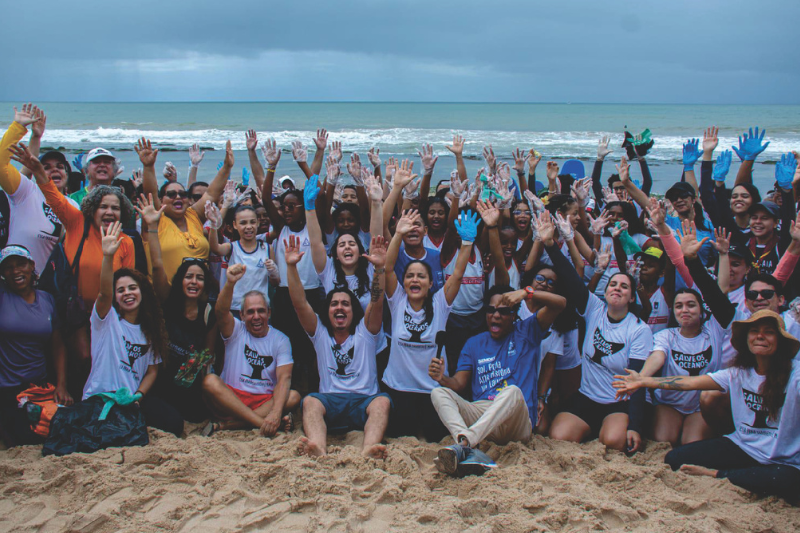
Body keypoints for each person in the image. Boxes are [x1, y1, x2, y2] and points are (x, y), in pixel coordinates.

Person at [613, 310, 800, 499]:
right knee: (674, 458)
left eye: (769, 332)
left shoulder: (795, 374)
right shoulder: (738, 373)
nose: (760, 336)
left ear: (780, 341)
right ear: (747, 339)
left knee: (786, 479)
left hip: (784, 460)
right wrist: (643, 381)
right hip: (745, 448)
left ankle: (718, 474)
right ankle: (744, 476)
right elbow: (689, 382)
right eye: (754, 331)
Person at [542, 212, 653, 453]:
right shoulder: (594, 309)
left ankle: (610, 427)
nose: (617, 289)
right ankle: (594, 427)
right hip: (588, 397)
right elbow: (570, 279)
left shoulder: (639, 329)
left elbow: (637, 382)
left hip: (619, 401)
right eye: (613, 284)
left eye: (624, 286)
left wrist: (635, 426)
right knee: (559, 435)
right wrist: (550, 244)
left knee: (614, 441)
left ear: (631, 297)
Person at [428, 283, 565, 475]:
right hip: (485, 418)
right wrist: (442, 378)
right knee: (438, 392)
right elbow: (458, 383)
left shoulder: (527, 331)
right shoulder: (474, 343)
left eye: (504, 311)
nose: (496, 315)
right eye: (491, 310)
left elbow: (560, 303)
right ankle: (465, 443)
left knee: (512, 391)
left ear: (514, 315)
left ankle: (466, 444)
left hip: (516, 417)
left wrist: (526, 293)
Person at [286, 233, 392, 458]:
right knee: (310, 401)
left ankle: (369, 447)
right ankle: (318, 446)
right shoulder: (320, 333)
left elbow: (377, 300)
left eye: (345, 304)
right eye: (334, 304)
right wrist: (292, 267)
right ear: (327, 311)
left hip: (364, 401)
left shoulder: (366, 331)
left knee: (382, 402)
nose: (339, 307)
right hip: (331, 403)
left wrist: (379, 269)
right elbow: (299, 303)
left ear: (354, 311)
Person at [81, 222, 183, 436]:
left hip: (131, 400)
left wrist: (139, 396)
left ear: (142, 292)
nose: (127, 293)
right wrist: (108, 257)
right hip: (102, 398)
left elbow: (152, 370)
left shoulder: (150, 330)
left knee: (174, 423)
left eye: (132, 288)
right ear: (115, 297)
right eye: (121, 290)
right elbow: (104, 294)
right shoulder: (106, 321)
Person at [382, 208, 474, 440]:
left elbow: (458, 273)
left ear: (431, 282)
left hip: (432, 390)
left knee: (435, 438)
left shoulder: (440, 302)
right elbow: (388, 268)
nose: (415, 279)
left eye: (421, 276)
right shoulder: (397, 300)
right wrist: (398, 234)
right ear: (403, 282)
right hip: (398, 388)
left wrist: (467, 243)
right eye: (410, 276)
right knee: (400, 437)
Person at [136, 194, 219, 423]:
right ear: (180, 280)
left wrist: (185, 379)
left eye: (199, 278)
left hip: (187, 382)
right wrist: (152, 227)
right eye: (189, 277)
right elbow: (157, 264)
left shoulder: (208, 313)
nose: (193, 282)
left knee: (192, 416)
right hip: (158, 380)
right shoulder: (167, 301)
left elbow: (207, 353)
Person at [201, 264, 301, 436]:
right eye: (250, 312)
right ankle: (261, 423)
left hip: (263, 402)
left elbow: (284, 379)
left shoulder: (281, 339)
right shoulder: (236, 330)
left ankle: (227, 426)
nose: (256, 317)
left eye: (261, 311)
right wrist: (230, 283)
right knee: (209, 381)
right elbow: (220, 311)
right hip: (231, 399)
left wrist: (275, 413)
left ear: (269, 313)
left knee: (293, 396)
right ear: (242, 315)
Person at [0, 245, 72, 446]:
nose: (15, 271)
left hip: (38, 386)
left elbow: (58, 346)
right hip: (7, 388)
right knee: (23, 439)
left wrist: (62, 385)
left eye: (21, 264)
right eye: (8, 267)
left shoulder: (47, 299)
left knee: (59, 430)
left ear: (32, 266)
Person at [136, 137, 231, 282]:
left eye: (182, 194)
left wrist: (227, 166)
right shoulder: (155, 220)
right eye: (171, 194)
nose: (178, 197)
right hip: (165, 293)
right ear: (161, 200)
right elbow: (150, 192)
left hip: (198, 292)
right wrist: (148, 167)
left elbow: (212, 193)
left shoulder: (193, 216)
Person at [0, 104, 73, 273]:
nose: (55, 170)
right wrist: (18, 127)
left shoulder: (72, 206)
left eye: (60, 166)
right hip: (12, 281)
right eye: (46, 167)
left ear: (67, 174)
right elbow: (1, 165)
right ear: (37, 171)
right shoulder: (26, 192)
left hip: (47, 284)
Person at [208, 203, 279, 315]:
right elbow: (215, 248)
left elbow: (275, 282)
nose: (249, 227)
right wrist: (213, 224)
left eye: (252, 222)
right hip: (235, 307)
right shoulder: (231, 247)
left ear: (258, 223)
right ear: (235, 225)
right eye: (243, 223)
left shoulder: (267, 249)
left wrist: (274, 272)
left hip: (259, 308)